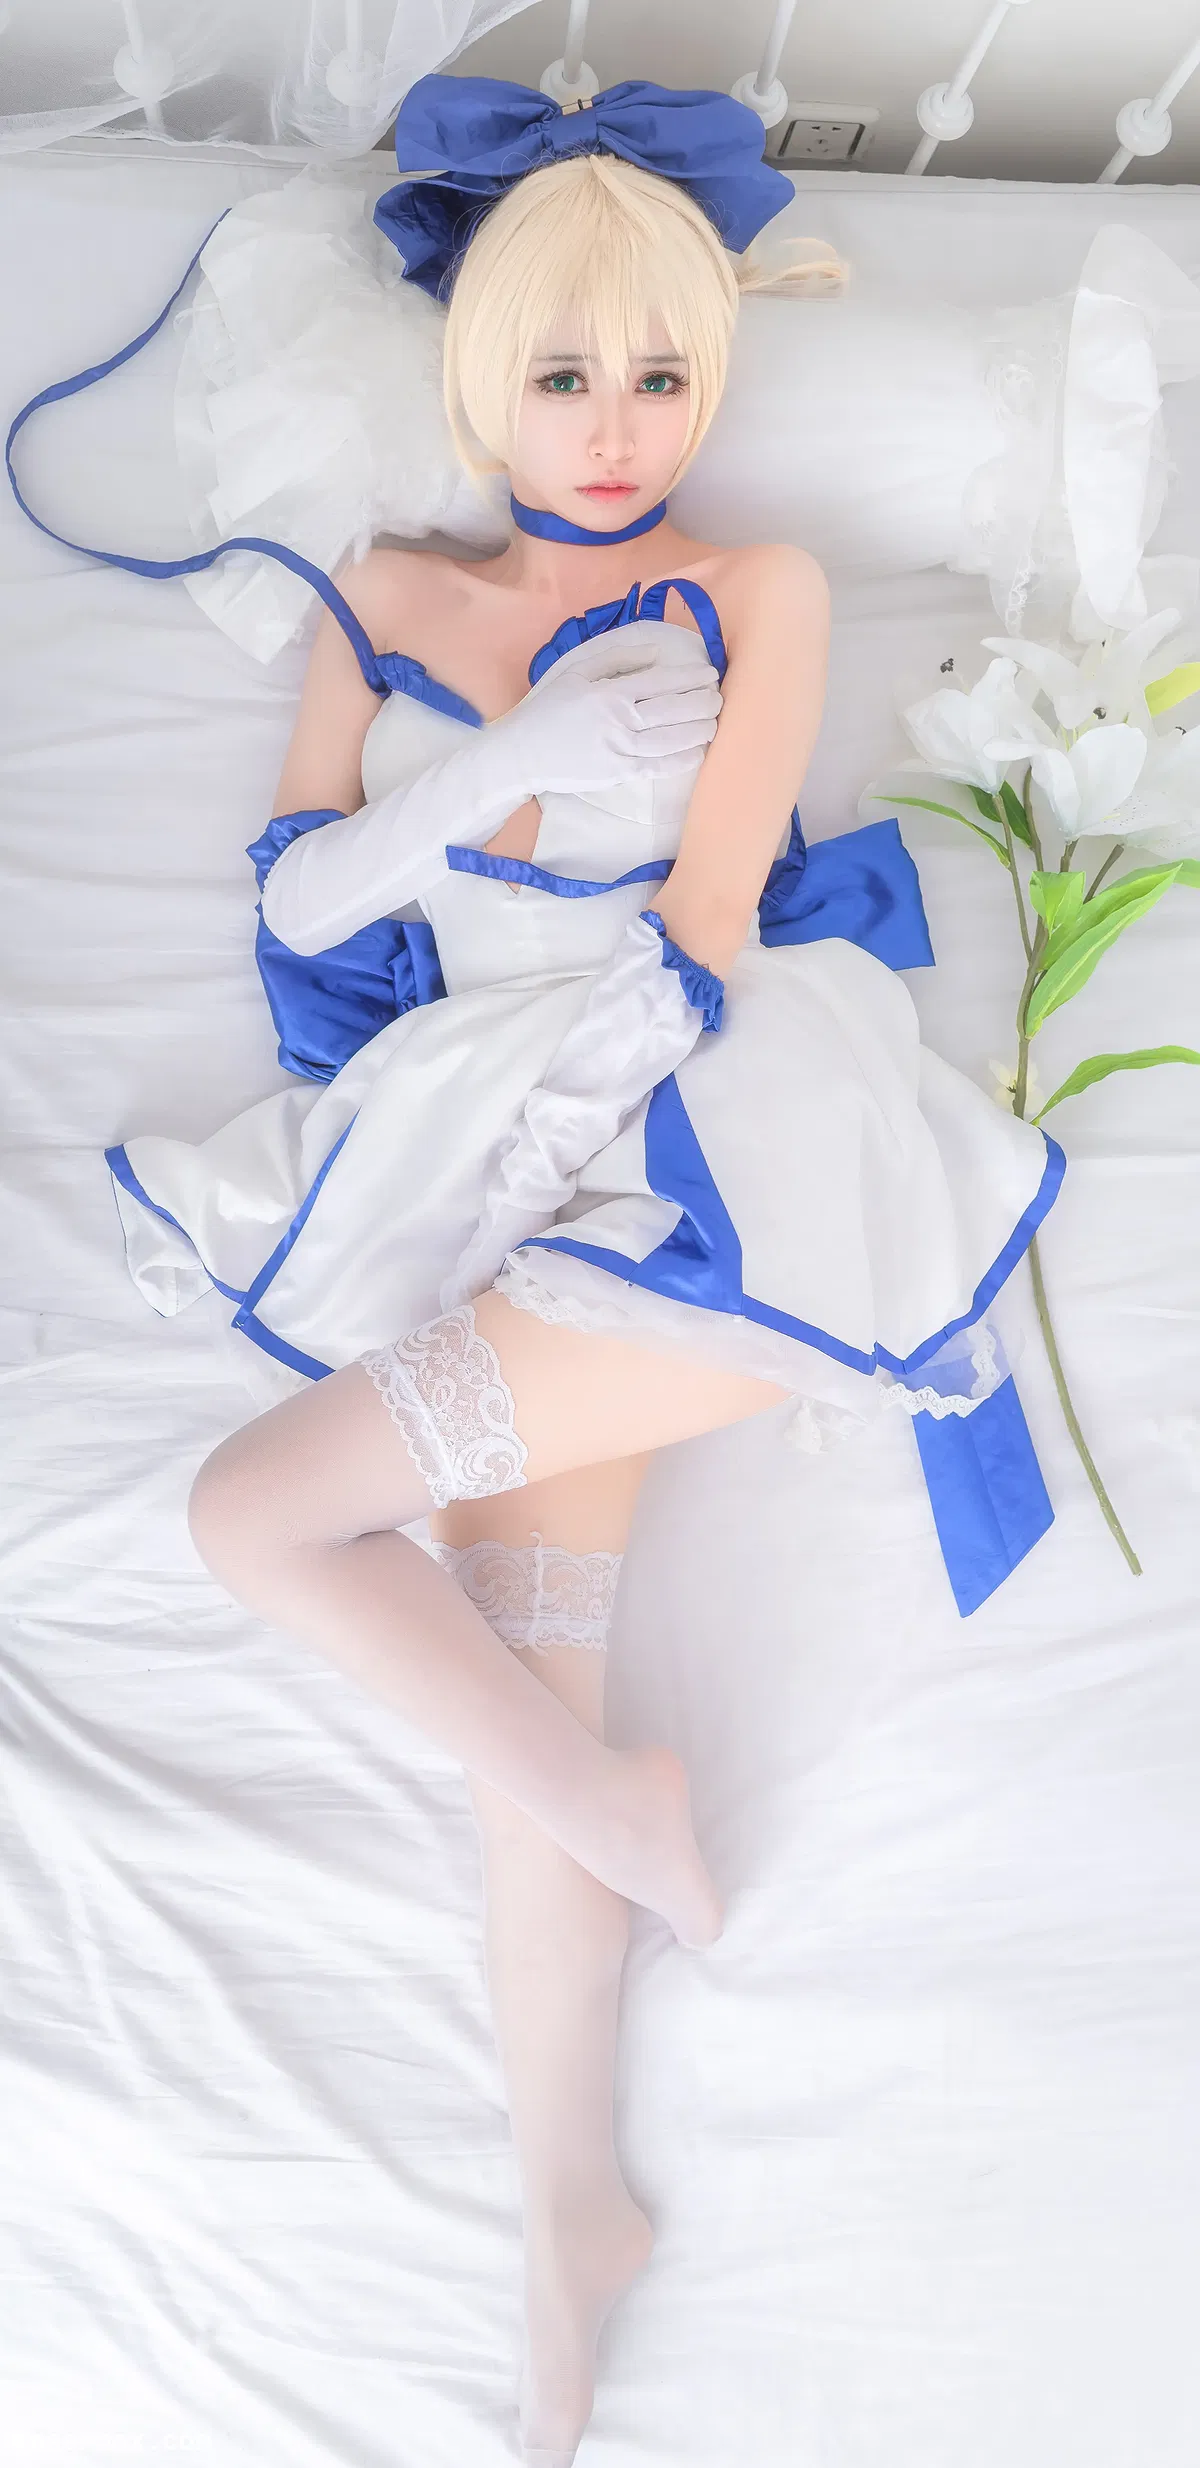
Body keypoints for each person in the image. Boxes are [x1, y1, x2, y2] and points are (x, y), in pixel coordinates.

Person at [9, 75, 1066, 2468]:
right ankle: (571, 2202)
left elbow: (706, 923)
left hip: (704, 1126)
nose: (614, 427)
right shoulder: (381, 594)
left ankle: (622, 1812)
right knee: (518, 1650)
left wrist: (538, 1145)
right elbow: (302, 905)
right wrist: (494, 771)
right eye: (568, 374)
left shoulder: (761, 592)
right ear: (481, 373)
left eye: (663, 375)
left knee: (252, 1512)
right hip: (487, 1118)